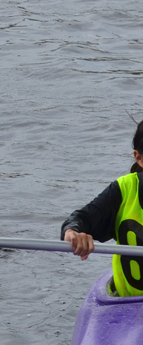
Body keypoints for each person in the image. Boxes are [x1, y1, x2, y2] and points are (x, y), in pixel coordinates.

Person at [62, 119, 143, 297]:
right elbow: (78, 220)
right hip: (129, 306)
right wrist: (73, 234)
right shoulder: (123, 191)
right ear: (139, 158)